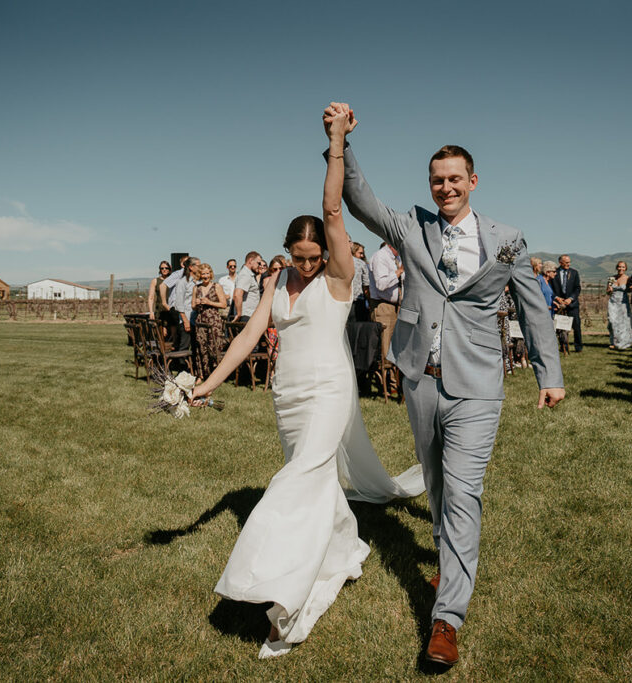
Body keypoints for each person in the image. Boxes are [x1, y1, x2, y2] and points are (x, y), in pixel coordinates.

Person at [327, 102, 564, 667]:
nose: (445, 187)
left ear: (473, 181)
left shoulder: (506, 239)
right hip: (420, 378)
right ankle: (449, 565)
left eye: (455, 178)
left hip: (480, 381)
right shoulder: (412, 225)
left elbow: (533, 308)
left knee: (463, 491)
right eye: (437, 180)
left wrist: (548, 373)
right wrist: (342, 142)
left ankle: (446, 619)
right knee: (436, 487)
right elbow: (359, 202)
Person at [192, 106, 424, 659]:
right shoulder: (277, 279)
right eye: (299, 258)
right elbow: (249, 335)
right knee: (316, 482)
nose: (307, 267)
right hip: (288, 398)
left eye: (314, 257)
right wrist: (208, 383)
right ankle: (343, 549)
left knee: (293, 484)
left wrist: (336, 141)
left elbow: (331, 208)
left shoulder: (341, 275)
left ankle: (284, 603)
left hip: (328, 392)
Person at [192, 264, 229, 380]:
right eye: (203, 274)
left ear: (211, 274)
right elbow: (192, 306)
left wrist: (209, 302)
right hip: (201, 320)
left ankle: (216, 375)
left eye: (207, 273)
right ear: (200, 275)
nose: (205, 276)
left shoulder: (216, 286)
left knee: (214, 347)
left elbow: (223, 304)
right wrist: (197, 303)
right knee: (201, 348)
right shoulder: (196, 288)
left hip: (214, 320)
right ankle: (202, 374)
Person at [368, 241, 402, 362]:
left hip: (397, 307)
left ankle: (395, 378)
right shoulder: (380, 257)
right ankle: (388, 379)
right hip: (383, 307)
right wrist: (399, 272)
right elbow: (381, 284)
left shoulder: (397, 257)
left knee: (396, 347)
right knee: (386, 349)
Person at [550, 254, 583, 351]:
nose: (569, 264)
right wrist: (557, 298)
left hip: (572, 304)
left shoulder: (574, 273)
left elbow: (577, 288)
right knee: (559, 326)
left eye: (569, 262)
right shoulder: (554, 273)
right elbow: (550, 287)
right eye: (566, 262)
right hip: (559, 304)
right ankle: (562, 346)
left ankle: (578, 347)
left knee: (576, 325)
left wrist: (571, 299)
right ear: (560, 263)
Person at [606, 261, 632, 349]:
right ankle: (613, 341)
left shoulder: (628, 278)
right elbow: (607, 291)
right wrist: (609, 290)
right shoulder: (612, 278)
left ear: (625, 268)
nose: (621, 268)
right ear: (616, 267)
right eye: (619, 267)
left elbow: (630, 290)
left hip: (623, 302)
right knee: (612, 321)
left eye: (623, 267)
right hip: (613, 302)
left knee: (623, 322)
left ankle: (623, 342)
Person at [233, 251, 264, 322]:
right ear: (250, 261)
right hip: (246, 316)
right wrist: (239, 313)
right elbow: (237, 294)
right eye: (258, 263)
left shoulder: (248, 274)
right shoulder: (245, 274)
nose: (259, 266)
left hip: (250, 315)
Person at [350, 241, 370, 321]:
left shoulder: (339, 261)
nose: (362, 256)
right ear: (353, 251)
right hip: (358, 302)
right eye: (360, 253)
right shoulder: (361, 264)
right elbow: (366, 286)